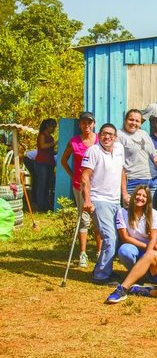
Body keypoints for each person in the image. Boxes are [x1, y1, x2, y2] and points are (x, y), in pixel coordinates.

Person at [81, 123, 127, 285]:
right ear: (99, 135)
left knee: (117, 238)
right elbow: (85, 177)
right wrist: (87, 200)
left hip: (115, 201)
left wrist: (124, 193)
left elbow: (121, 171)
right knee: (110, 237)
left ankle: (103, 268)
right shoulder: (93, 151)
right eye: (104, 134)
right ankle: (100, 276)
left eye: (110, 135)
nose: (107, 137)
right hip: (99, 200)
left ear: (115, 137)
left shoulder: (120, 149)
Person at [60, 112, 100, 267]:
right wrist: (72, 175)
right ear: (80, 125)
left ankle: (99, 251)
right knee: (83, 219)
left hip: (97, 185)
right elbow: (63, 160)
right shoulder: (74, 142)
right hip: (80, 186)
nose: (87, 126)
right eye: (84, 123)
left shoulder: (99, 140)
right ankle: (82, 254)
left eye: (89, 123)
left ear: (94, 124)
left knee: (98, 219)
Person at [116, 185, 157, 271]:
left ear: (148, 200)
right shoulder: (122, 212)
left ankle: (146, 272)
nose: (140, 198)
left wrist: (148, 252)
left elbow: (153, 239)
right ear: (133, 196)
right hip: (133, 246)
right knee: (124, 251)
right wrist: (145, 246)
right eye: (138, 194)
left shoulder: (154, 213)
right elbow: (125, 238)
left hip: (150, 247)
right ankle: (135, 273)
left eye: (144, 196)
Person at [117, 109, 157, 201]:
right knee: (133, 213)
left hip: (152, 180)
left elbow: (154, 157)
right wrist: (124, 192)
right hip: (133, 181)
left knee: (150, 213)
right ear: (125, 120)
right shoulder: (119, 135)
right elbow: (119, 165)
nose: (134, 123)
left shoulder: (144, 134)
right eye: (131, 119)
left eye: (137, 121)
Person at [34, 118, 57, 212]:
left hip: (49, 162)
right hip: (41, 163)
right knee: (42, 184)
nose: (54, 129)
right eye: (53, 126)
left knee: (48, 184)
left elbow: (50, 150)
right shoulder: (42, 135)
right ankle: (40, 206)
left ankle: (46, 205)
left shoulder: (51, 137)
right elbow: (43, 146)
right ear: (47, 126)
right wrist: (54, 143)